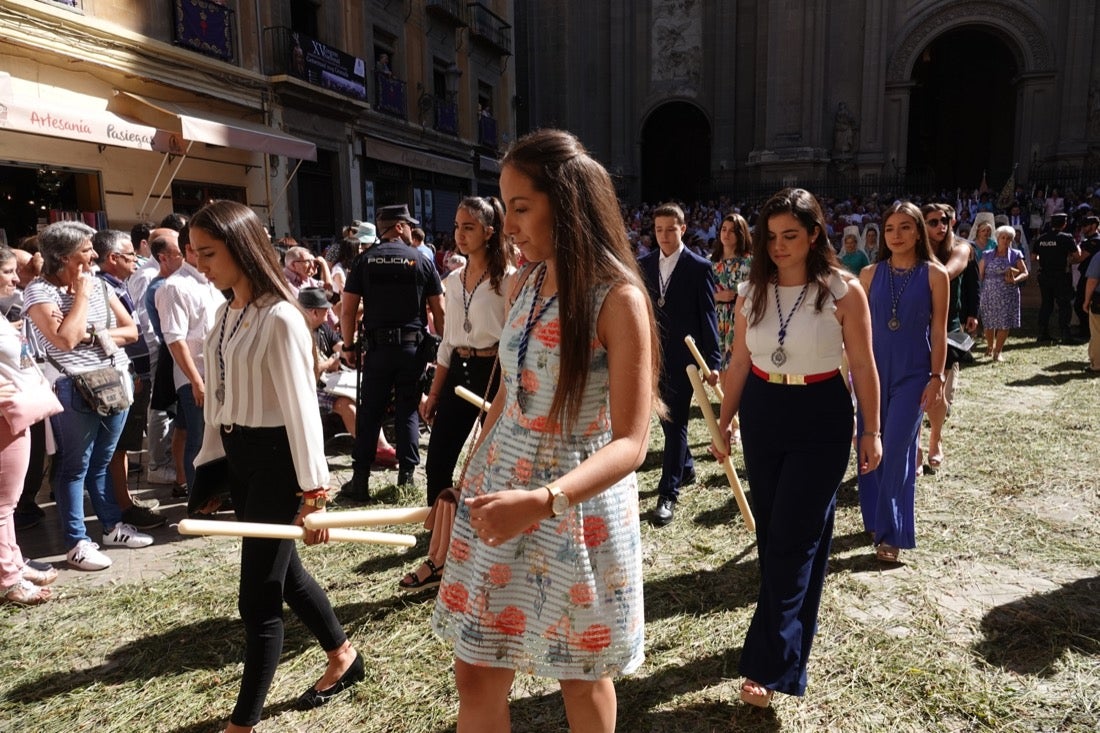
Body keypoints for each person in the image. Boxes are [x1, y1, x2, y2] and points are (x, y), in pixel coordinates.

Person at [431, 128, 658, 733]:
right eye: (506, 211)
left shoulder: (617, 298)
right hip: (501, 497)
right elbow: (505, 396)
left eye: (522, 209)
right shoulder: (526, 282)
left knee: (580, 675)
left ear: (568, 201)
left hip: (573, 509)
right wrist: (466, 481)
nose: (508, 226)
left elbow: (632, 443)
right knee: (475, 671)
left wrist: (543, 500)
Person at [189, 200, 363, 733]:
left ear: (241, 248)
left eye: (209, 253)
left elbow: (301, 410)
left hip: (279, 464)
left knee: (257, 596)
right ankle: (344, 656)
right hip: (241, 461)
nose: (201, 264)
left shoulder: (282, 316)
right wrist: (212, 469)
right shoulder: (223, 314)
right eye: (195, 252)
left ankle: (244, 723)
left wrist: (314, 494)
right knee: (284, 575)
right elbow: (218, 401)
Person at [712, 187, 882, 708]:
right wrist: (725, 422)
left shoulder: (843, 290)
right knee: (781, 537)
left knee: (790, 538)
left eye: (791, 235)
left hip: (821, 415)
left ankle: (766, 665)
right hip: (764, 410)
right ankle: (789, 654)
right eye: (772, 236)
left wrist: (870, 430)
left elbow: (863, 366)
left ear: (814, 235)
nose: (780, 246)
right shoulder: (750, 290)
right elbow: (739, 363)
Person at [24, 221, 155, 571]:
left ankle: (112, 526)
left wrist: (91, 331)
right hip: (72, 386)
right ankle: (77, 541)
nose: (94, 254)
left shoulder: (98, 283)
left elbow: (131, 330)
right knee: (73, 468)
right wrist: (80, 297)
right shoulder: (40, 293)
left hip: (114, 381)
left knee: (101, 461)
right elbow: (64, 340)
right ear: (65, 257)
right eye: (87, 249)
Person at [400, 196, 515, 590]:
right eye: (456, 226)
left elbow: (511, 340)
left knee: (491, 461)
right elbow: (448, 342)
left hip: (495, 371)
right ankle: (439, 551)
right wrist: (434, 393)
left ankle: (485, 544)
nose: (460, 235)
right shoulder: (451, 280)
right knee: (439, 461)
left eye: (469, 227)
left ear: (489, 231)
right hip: (458, 372)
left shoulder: (509, 279)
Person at [858, 201, 948, 564]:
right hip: (872, 373)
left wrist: (937, 377)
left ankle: (891, 533)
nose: (897, 235)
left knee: (895, 450)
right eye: (890, 229)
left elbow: (939, 331)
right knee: (868, 447)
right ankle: (875, 518)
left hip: (914, 373)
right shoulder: (868, 274)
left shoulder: (934, 274)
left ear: (918, 232)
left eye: (906, 227)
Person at [339, 204, 444, 499]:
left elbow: (347, 312)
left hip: (377, 349)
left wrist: (348, 347)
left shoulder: (363, 261)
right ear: (398, 226)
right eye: (408, 225)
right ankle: (406, 480)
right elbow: (440, 311)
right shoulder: (422, 261)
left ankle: (360, 481)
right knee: (407, 410)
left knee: (370, 412)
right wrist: (444, 347)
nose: (412, 230)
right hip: (412, 349)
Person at [638, 202, 720, 526]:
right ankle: (684, 468)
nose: (664, 236)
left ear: (682, 229)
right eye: (659, 230)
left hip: (685, 360)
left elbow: (708, 316)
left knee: (675, 424)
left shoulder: (698, 267)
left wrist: (711, 360)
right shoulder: (644, 265)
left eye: (670, 229)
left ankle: (667, 494)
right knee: (666, 420)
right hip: (653, 357)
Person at [91, 229, 164, 529]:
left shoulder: (117, 286)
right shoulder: (101, 289)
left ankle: (124, 502)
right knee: (115, 447)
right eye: (131, 254)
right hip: (121, 375)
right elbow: (128, 333)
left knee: (122, 444)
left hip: (132, 372)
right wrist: (133, 370)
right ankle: (121, 508)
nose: (137, 259)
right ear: (113, 258)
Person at [0, 246, 57, 604]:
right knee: (4, 504)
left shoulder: (6, 311)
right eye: (7, 272)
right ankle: (9, 579)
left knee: (9, 500)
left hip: (14, 411)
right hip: (7, 415)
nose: (15, 278)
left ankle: (13, 564)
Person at [156, 228, 225, 495]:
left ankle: (205, 494)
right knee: (199, 441)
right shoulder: (174, 287)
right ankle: (199, 503)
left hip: (215, 374)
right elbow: (175, 340)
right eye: (204, 250)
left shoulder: (211, 282)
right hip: (196, 376)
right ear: (189, 249)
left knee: (196, 435)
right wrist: (197, 382)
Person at [919, 204, 977, 472]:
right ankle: (916, 447)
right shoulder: (915, 251)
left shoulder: (961, 248)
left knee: (938, 391)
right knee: (912, 392)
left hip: (946, 328)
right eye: (931, 222)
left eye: (944, 220)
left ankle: (935, 440)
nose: (939, 226)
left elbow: (949, 272)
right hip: (914, 328)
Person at [979, 225, 1029, 361]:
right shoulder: (987, 254)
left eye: (1009, 238)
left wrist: (1015, 280)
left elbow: (1025, 272)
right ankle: (990, 347)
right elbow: (980, 275)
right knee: (989, 322)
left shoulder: (1016, 254)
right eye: (1003, 238)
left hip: (1009, 293)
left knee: (1005, 322)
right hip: (989, 292)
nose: (1005, 241)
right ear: (998, 238)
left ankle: (998, 352)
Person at [711, 212, 753, 371]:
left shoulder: (750, 262)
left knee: (739, 366)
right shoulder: (711, 262)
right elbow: (703, 296)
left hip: (741, 317)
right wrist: (718, 296)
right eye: (723, 229)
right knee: (721, 365)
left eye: (732, 230)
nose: (726, 234)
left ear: (741, 234)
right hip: (718, 318)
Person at [1032, 212, 1083, 343]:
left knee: (1046, 304)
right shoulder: (1066, 237)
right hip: (1061, 275)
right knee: (1064, 305)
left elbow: (1033, 257)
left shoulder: (1041, 238)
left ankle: (1042, 333)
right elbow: (1077, 256)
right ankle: (1065, 335)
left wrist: (1046, 258)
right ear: (1064, 223)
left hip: (1044, 275)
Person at [1073, 215, 1100, 337]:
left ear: (1094, 226)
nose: (1083, 228)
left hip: (1092, 277)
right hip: (1086, 275)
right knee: (1080, 303)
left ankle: (1086, 331)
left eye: (1086, 225)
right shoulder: (1087, 241)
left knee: (1081, 304)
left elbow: (1080, 258)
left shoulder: (1095, 241)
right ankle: (1085, 328)